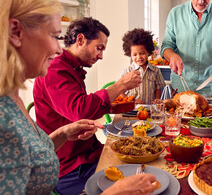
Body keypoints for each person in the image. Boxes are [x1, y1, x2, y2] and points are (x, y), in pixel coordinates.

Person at [0, 0, 156, 195]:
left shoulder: (11, 97)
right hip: (73, 169)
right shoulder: (5, 118)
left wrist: (64, 133)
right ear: (16, 32)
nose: (58, 49)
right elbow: (80, 109)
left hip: (85, 154)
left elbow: (33, 156)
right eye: (54, 36)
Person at [32, 17, 144, 194]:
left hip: (87, 152)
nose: (100, 56)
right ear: (81, 40)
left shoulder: (71, 67)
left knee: (140, 161)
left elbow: (79, 111)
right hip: (71, 166)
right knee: (138, 181)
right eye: (99, 48)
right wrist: (120, 85)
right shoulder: (55, 68)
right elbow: (80, 109)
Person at [117, 28, 165, 104]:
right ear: (130, 54)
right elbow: (118, 90)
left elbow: (158, 88)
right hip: (132, 110)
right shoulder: (127, 71)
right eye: (135, 54)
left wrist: (157, 99)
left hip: (150, 109)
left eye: (142, 53)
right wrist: (130, 100)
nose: (139, 57)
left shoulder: (156, 71)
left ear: (148, 52)